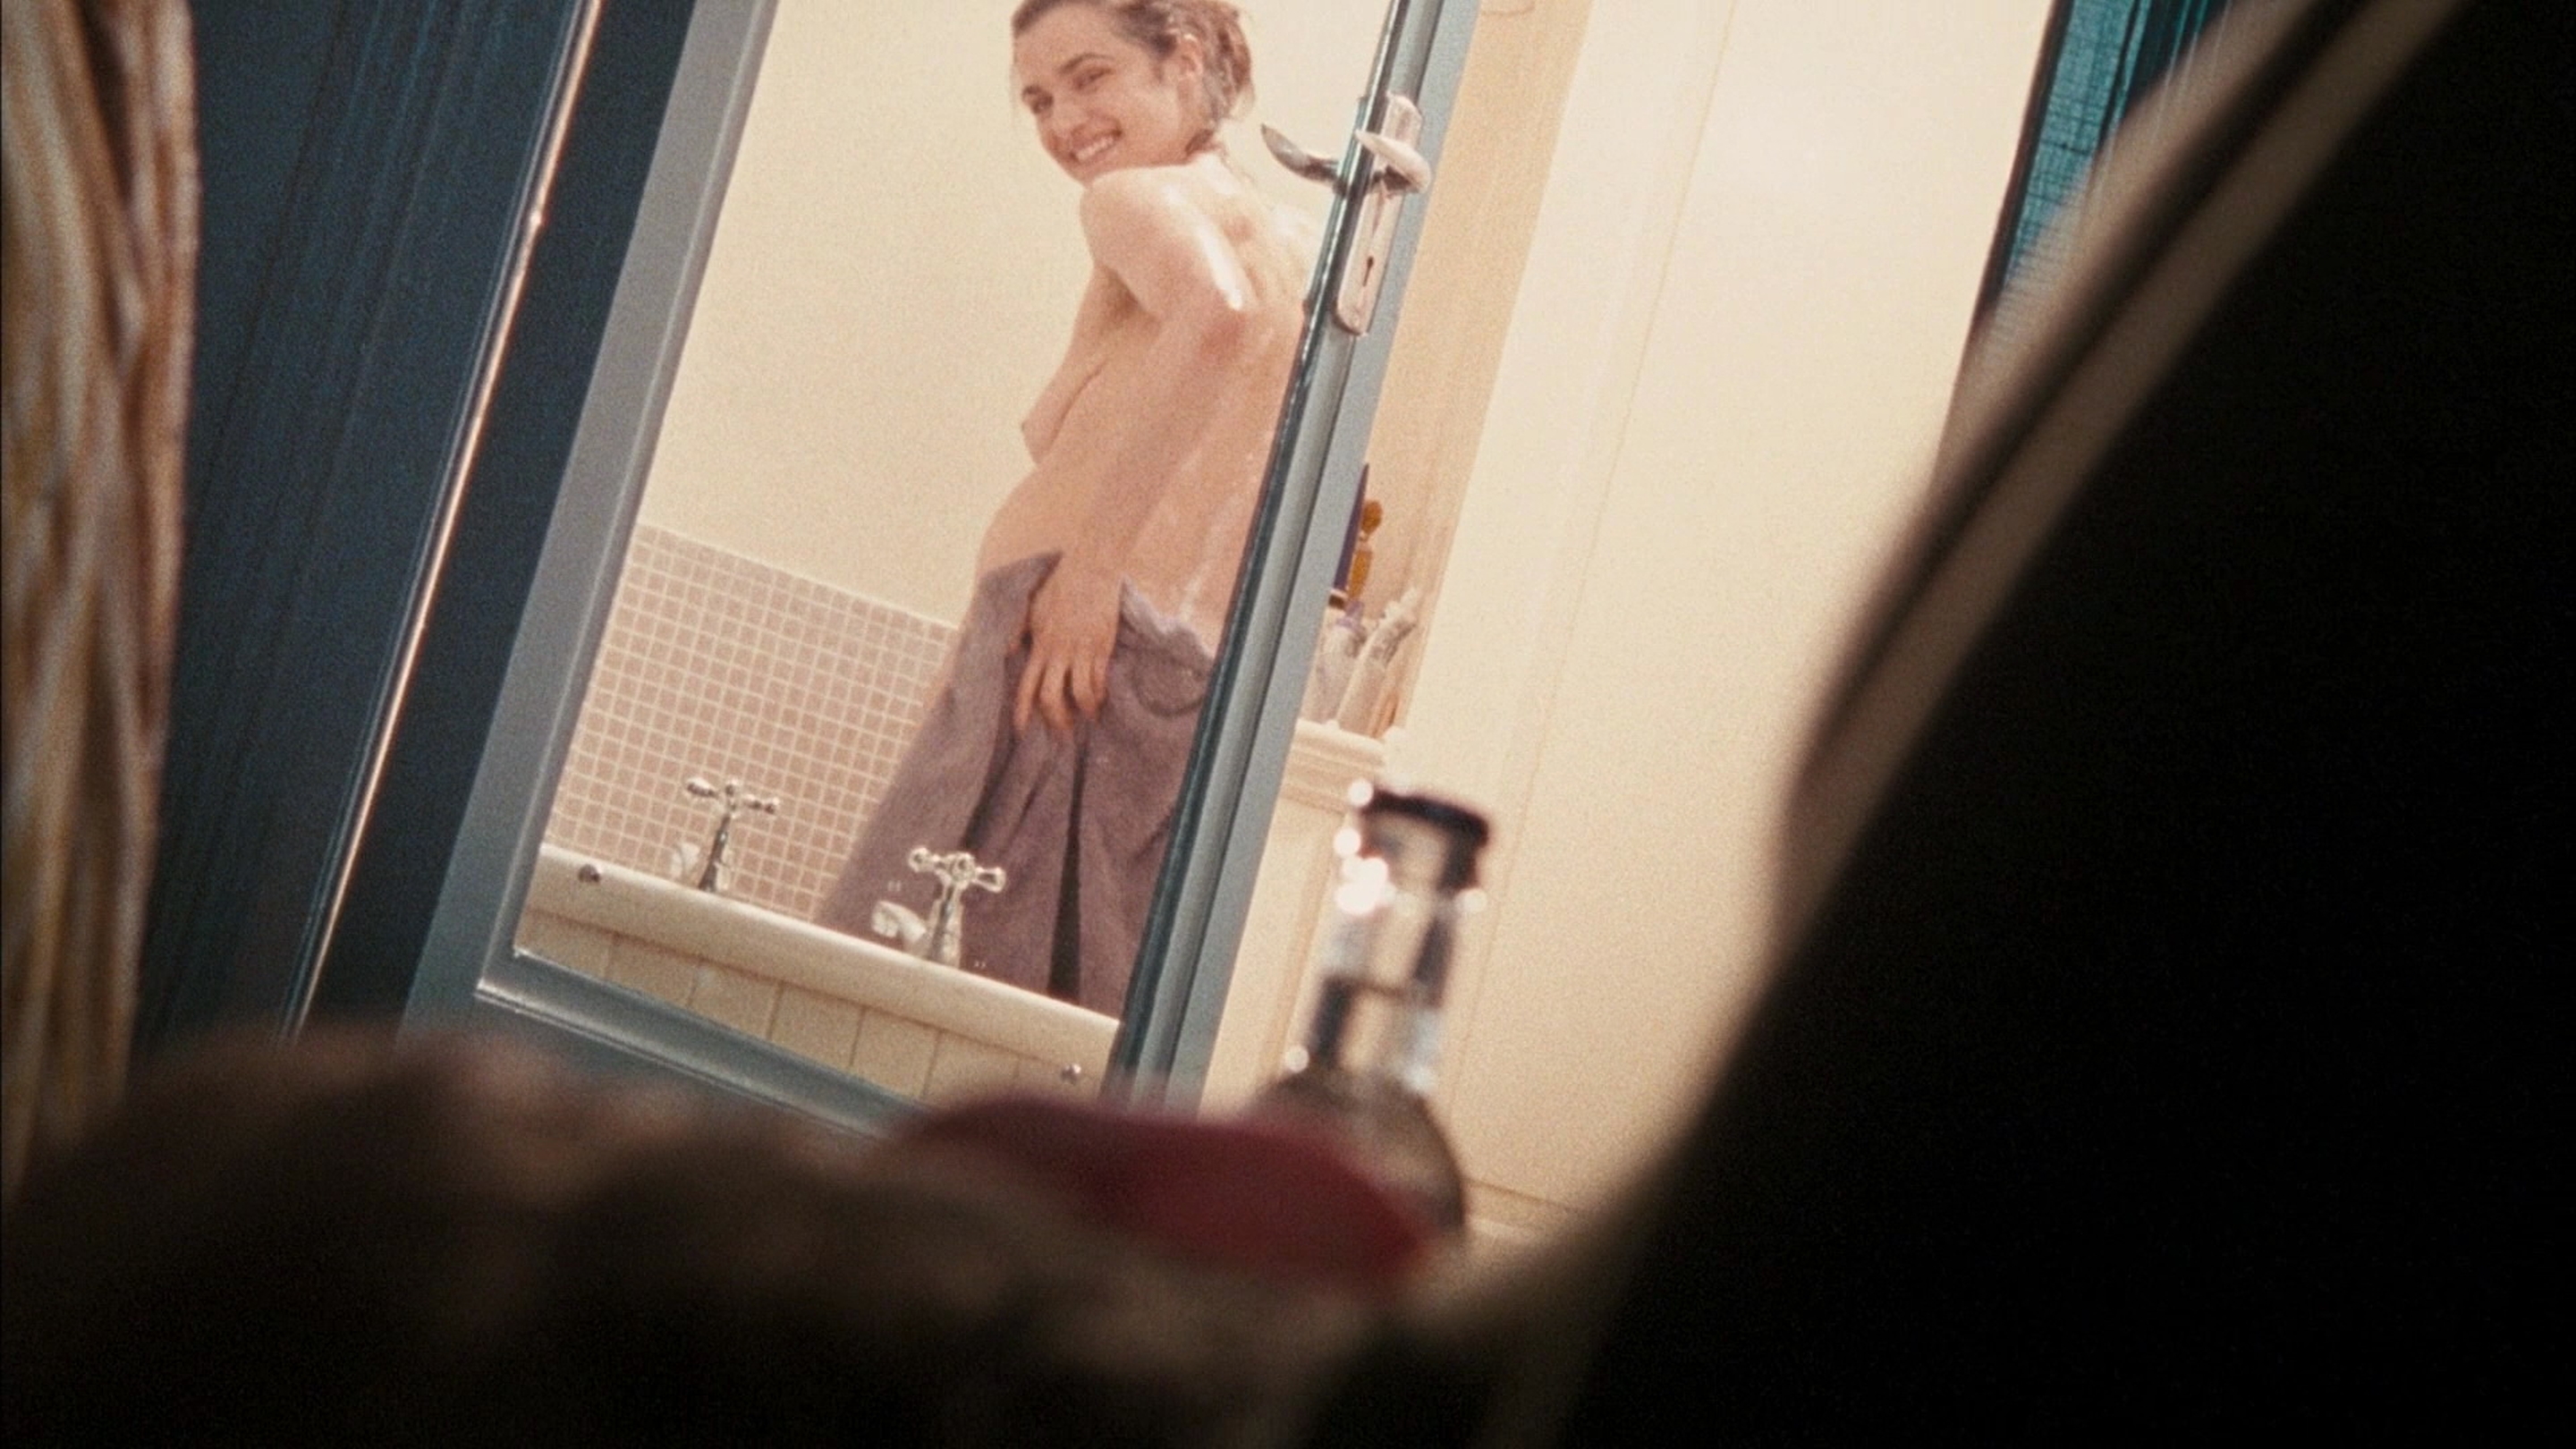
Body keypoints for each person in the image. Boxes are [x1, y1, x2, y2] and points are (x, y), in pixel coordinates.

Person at [815, 0, 1315, 1018]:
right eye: (1040, 99)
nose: (1063, 122)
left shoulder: (1136, 200)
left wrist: (1090, 573)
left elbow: (1214, 315)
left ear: (1183, 61)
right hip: (1161, 667)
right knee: (1048, 1023)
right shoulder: (1292, 240)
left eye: (1092, 78)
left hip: (1072, 645)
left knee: (879, 999)